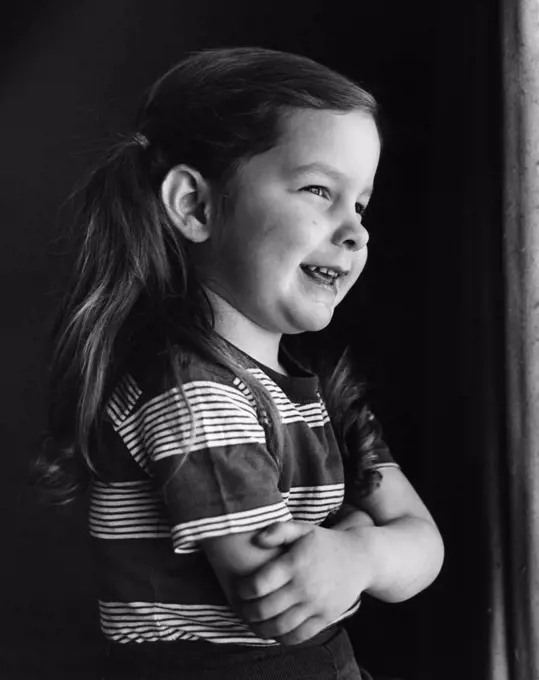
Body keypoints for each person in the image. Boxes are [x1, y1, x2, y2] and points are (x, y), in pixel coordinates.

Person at [37, 46, 444, 679]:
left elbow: (427, 545)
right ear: (195, 206)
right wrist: (368, 541)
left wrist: (359, 553)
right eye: (319, 190)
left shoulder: (324, 397)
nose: (356, 231)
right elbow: (282, 607)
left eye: (360, 205)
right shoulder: (186, 390)